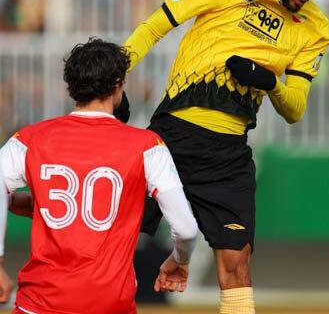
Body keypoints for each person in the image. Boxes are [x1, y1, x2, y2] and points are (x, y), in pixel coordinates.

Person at [122, 0, 329, 314]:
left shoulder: (315, 27)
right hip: (170, 139)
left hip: (228, 155)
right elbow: (153, 28)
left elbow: (295, 109)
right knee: (114, 244)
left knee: (236, 265)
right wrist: (111, 79)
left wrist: (270, 84)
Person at [0, 38, 199, 314]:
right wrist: (180, 259)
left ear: (71, 85)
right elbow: (186, 228)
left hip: (41, 302)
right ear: (117, 84)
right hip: (110, 303)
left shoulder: (29, 139)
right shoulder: (146, 146)